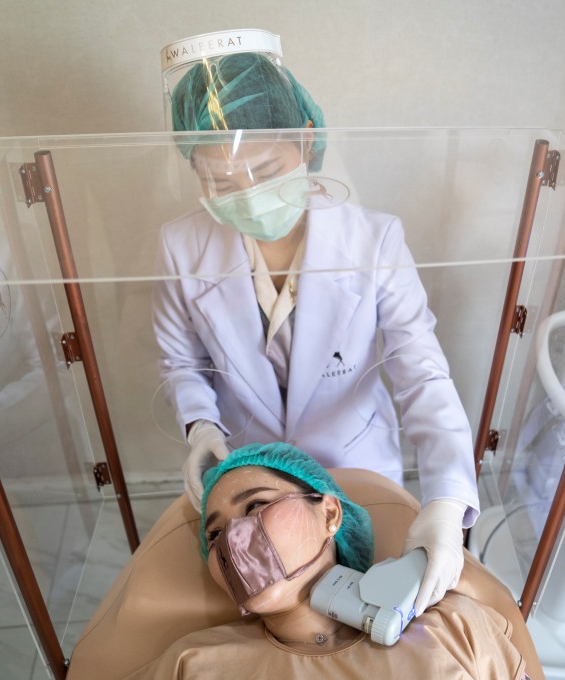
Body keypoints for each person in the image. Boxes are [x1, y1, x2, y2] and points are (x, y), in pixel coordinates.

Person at [153, 44, 477, 616]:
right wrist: (201, 424)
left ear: (305, 138)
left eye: (266, 170)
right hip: (249, 472)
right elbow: (183, 362)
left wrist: (447, 499)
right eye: (221, 181)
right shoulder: (181, 246)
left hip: (356, 463)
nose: (246, 191)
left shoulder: (374, 241)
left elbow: (420, 370)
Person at [126, 442, 533, 679]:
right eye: (214, 534)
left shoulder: (454, 627)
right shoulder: (192, 664)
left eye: (256, 506)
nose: (233, 539)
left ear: (330, 514)